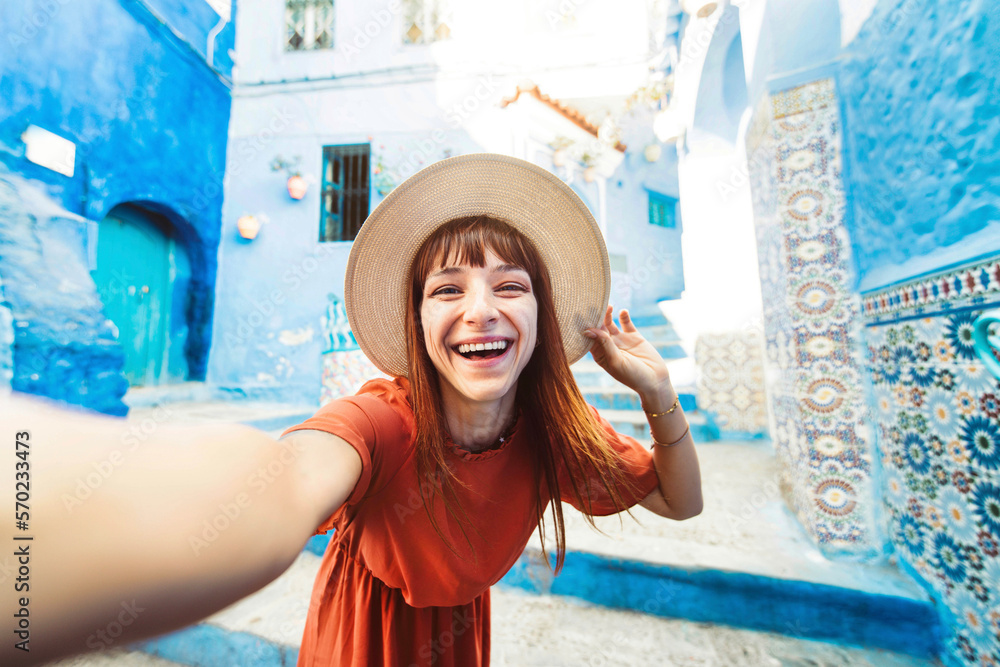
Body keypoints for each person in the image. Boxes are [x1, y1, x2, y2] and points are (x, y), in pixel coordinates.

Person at [0, 153, 701, 666]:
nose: (480, 311)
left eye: (509, 285)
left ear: (541, 313)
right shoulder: (381, 422)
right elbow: (276, 483)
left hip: (462, 643)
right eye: (447, 289)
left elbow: (681, 500)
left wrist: (658, 393)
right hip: (358, 641)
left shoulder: (553, 435)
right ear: (419, 322)